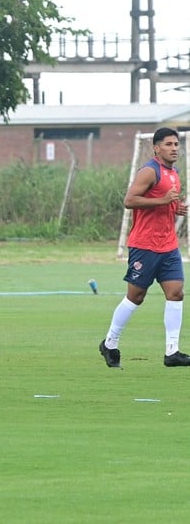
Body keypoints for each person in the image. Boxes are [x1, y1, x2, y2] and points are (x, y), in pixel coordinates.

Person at [100, 127, 190, 369]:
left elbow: (165, 204)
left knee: (176, 293)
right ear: (156, 148)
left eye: (176, 144)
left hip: (168, 245)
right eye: (169, 144)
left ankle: (172, 352)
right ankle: (110, 343)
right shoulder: (149, 171)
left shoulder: (174, 173)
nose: (174, 148)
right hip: (145, 245)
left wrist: (175, 208)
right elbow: (129, 200)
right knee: (136, 296)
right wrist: (163, 201)